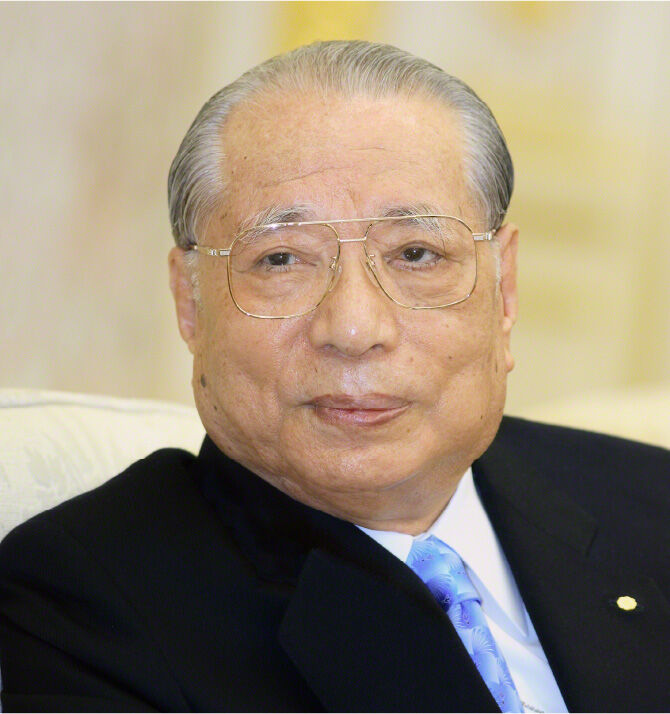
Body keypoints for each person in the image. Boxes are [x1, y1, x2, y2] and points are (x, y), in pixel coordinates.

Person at [0, 40, 668, 713]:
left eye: (416, 253)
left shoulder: (650, 501)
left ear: (505, 289)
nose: (352, 328)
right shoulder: (84, 603)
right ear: (190, 303)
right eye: (282, 259)